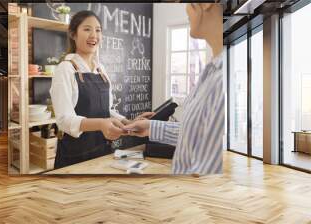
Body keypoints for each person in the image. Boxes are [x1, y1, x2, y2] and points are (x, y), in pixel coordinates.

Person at [124, 3, 224, 175]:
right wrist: (150, 127)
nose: (185, 9)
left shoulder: (221, 77)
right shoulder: (210, 73)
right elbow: (197, 136)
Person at [50, 10, 152, 169]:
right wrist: (101, 124)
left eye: (98, 30)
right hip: (75, 156)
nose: (94, 35)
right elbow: (64, 120)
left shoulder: (101, 70)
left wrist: (128, 123)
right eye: (87, 29)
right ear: (73, 34)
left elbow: (107, 110)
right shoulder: (65, 69)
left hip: (103, 151)